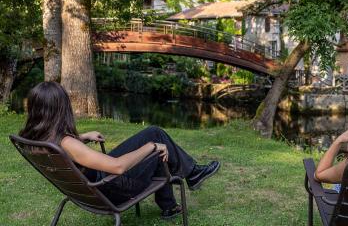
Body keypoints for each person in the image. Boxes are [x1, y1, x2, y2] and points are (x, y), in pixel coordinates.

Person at [19, 82, 221, 219]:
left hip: (95, 185)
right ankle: (189, 177)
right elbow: (117, 166)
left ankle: (171, 202)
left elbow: (65, 148)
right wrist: (150, 147)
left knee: (153, 132)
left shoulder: (35, 138)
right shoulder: (67, 144)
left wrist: (82, 137)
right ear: (61, 108)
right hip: (111, 189)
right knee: (156, 143)